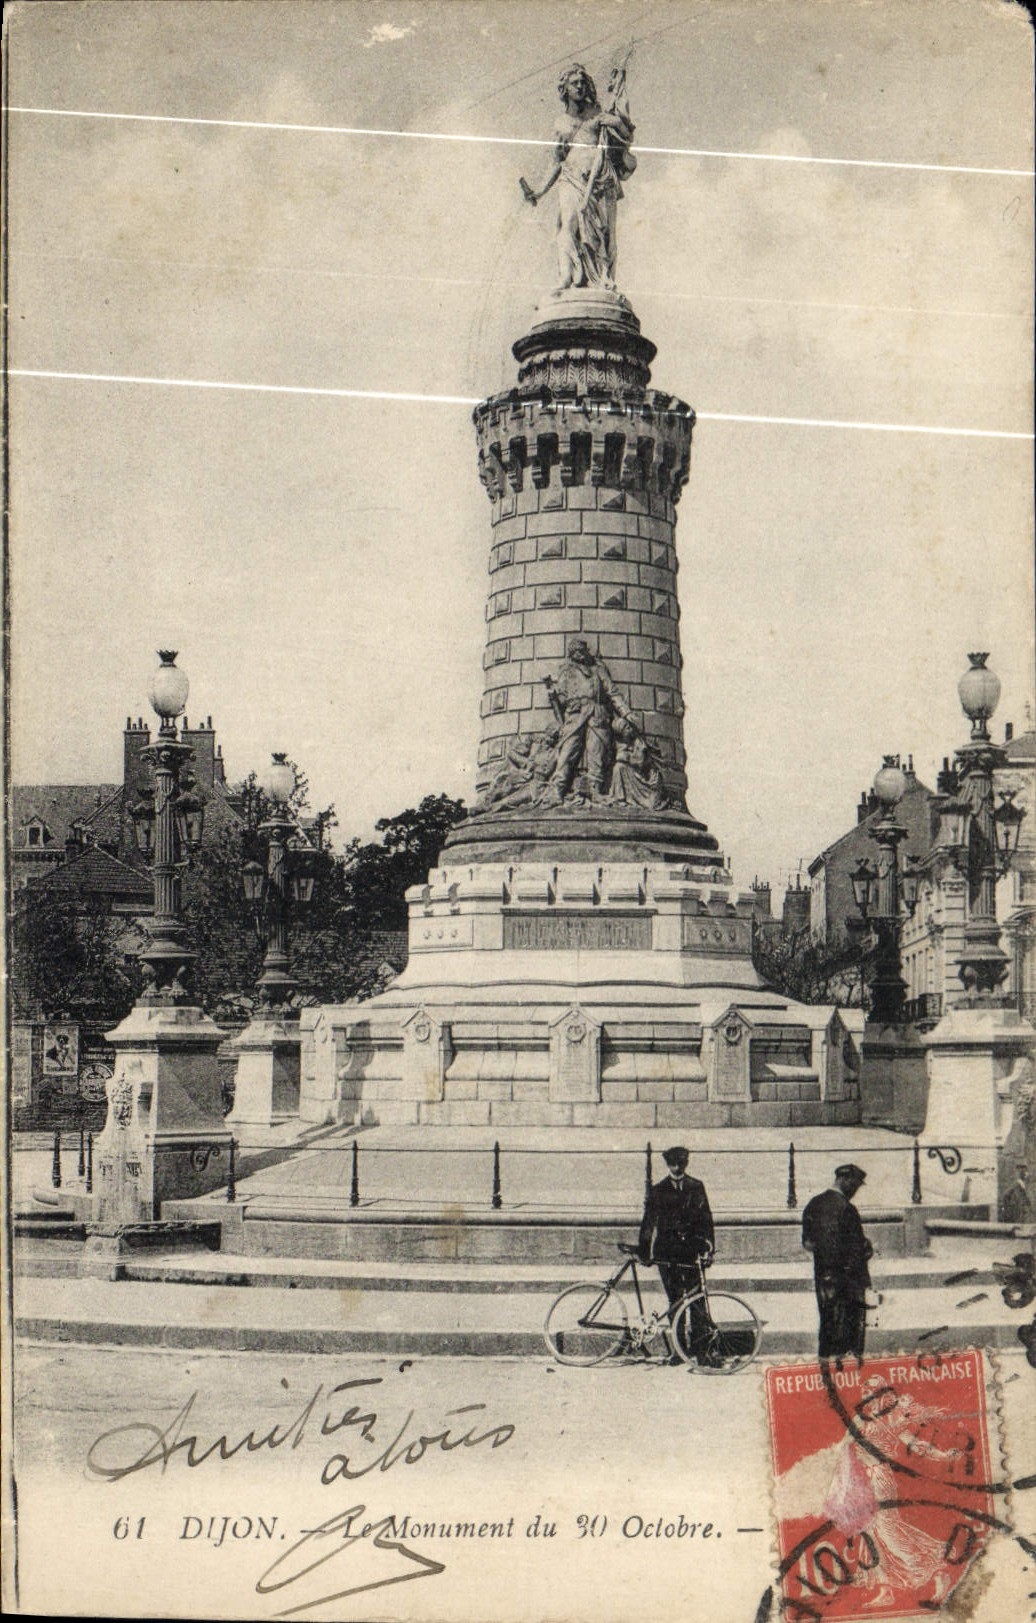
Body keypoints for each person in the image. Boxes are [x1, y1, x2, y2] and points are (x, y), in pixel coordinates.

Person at [520, 63, 635, 293]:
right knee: (568, 226)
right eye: (575, 83)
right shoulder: (561, 123)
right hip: (571, 178)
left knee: (606, 234)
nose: (580, 87)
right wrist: (540, 191)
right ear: (565, 89)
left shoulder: (598, 113)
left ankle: (604, 279)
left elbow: (626, 136)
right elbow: (557, 161)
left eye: (583, 82)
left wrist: (616, 121)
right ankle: (566, 276)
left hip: (600, 179)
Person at [639, 1145, 721, 1366]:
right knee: (676, 1300)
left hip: (692, 1251)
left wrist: (709, 1247)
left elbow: (706, 1219)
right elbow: (648, 1224)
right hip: (667, 1252)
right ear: (667, 1164)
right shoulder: (658, 1190)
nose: (677, 1167)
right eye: (673, 1163)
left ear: (686, 1163)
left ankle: (702, 1350)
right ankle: (678, 1350)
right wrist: (644, 1253)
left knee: (697, 1299)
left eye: (681, 1163)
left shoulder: (696, 1186)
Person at [540, 640, 634, 804]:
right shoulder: (566, 672)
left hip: (597, 715)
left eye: (582, 651)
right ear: (571, 654)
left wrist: (625, 712)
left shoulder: (598, 670)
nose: (580, 654)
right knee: (567, 752)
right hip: (575, 716)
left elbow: (612, 693)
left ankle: (595, 790)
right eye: (576, 651)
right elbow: (562, 699)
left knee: (596, 754)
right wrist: (554, 695)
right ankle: (557, 790)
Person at [801, 1163, 873, 1363]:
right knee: (850, 1326)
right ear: (846, 1180)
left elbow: (808, 1243)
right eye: (856, 1185)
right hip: (849, 1278)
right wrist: (867, 1248)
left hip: (824, 1275)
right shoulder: (847, 1209)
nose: (856, 1191)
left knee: (828, 1322)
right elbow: (857, 1248)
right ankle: (847, 1371)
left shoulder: (813, 1204)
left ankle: (825, 1366)